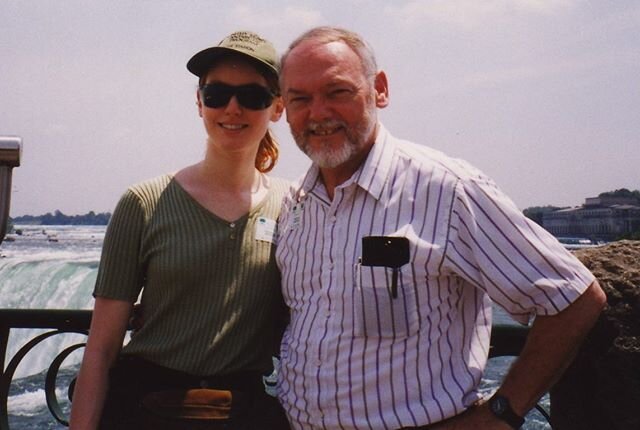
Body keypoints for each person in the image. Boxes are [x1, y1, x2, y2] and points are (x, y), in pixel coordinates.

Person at [274, 26, 606, 430]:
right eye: (300, 99)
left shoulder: (447, 191)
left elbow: (574, 297)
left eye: (337, 92)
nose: (319, 113)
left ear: (379, 89)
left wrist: (501, 414)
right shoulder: (297, 205)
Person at [70, 31, 290, 430]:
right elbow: (101, 350)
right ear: (199, 102)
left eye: (253, 97)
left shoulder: (294, 207)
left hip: (241, 412)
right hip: (146, 407)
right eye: (217, 93)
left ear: (278, 107)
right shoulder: (143, 202)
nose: (233, 108)